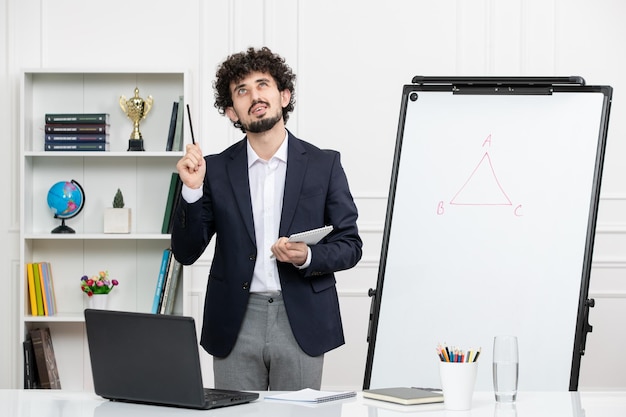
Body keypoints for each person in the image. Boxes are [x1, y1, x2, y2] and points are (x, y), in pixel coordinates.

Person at [171, 46, 362, 391]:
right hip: (234, 321)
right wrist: (192, 190)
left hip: (302, 318)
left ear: (284, 95)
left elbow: (351, 245)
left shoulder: (324, 165)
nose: (254, 95)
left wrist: (308, 256)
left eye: (263, 84)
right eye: (242, 90)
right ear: (232, 111)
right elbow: (186, 252)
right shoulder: (212, 170)